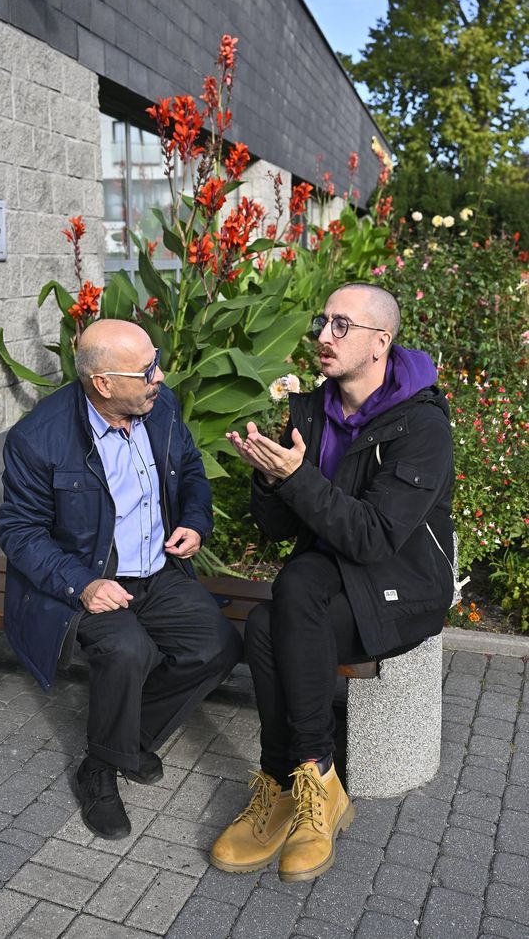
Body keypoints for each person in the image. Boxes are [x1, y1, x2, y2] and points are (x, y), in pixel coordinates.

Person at [210, 283, 454, 883]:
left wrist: (296, 480)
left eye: (342, 326)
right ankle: (306, 781)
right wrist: (270, 479)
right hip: (324, 584)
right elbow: (278, 528)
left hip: (401, 590)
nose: (323, 336)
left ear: (380, 343)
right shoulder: (311, 410)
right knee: (284, 601)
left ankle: (293, 779)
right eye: (324, 322)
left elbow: (373, 538)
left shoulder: (421, 427)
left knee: (276, 615)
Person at [0, 319, 242, 840]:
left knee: (217, 646)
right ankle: (99, 772)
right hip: (88, 580)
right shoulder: (38, 440)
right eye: (147, 370)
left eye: (156, 362)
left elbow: (192, 470)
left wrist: (195, 521)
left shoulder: (159, 404)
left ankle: (125, 742)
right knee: (127, 649)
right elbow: (18, 532)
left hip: (158, 568)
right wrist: (82, 583)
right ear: (103, 383)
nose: (160, 376)